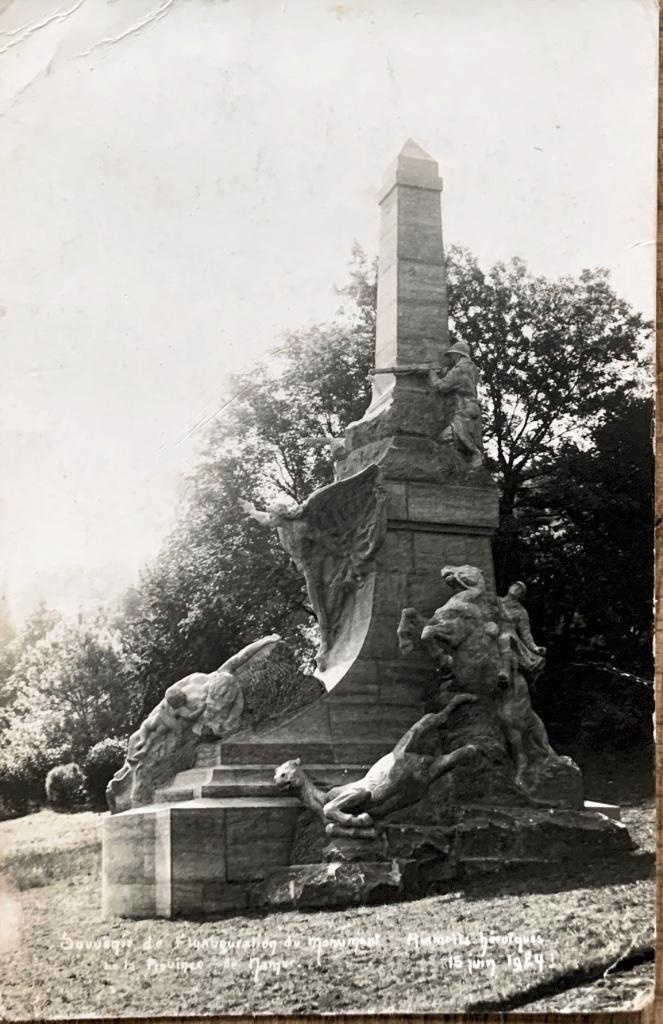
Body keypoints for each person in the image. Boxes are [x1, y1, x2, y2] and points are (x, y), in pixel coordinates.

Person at [428, 340, 483, 468]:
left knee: (447, 438)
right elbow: (458, 383)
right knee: (461, 440)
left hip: (464, 409)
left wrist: (432, 374)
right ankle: (463, 464)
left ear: (458, 355)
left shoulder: (459, 369)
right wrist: (445, 373)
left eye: (452, 355)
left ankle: (465, 464)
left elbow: (439, 386)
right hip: (471, 407)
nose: (451, 358)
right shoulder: (472, 369)